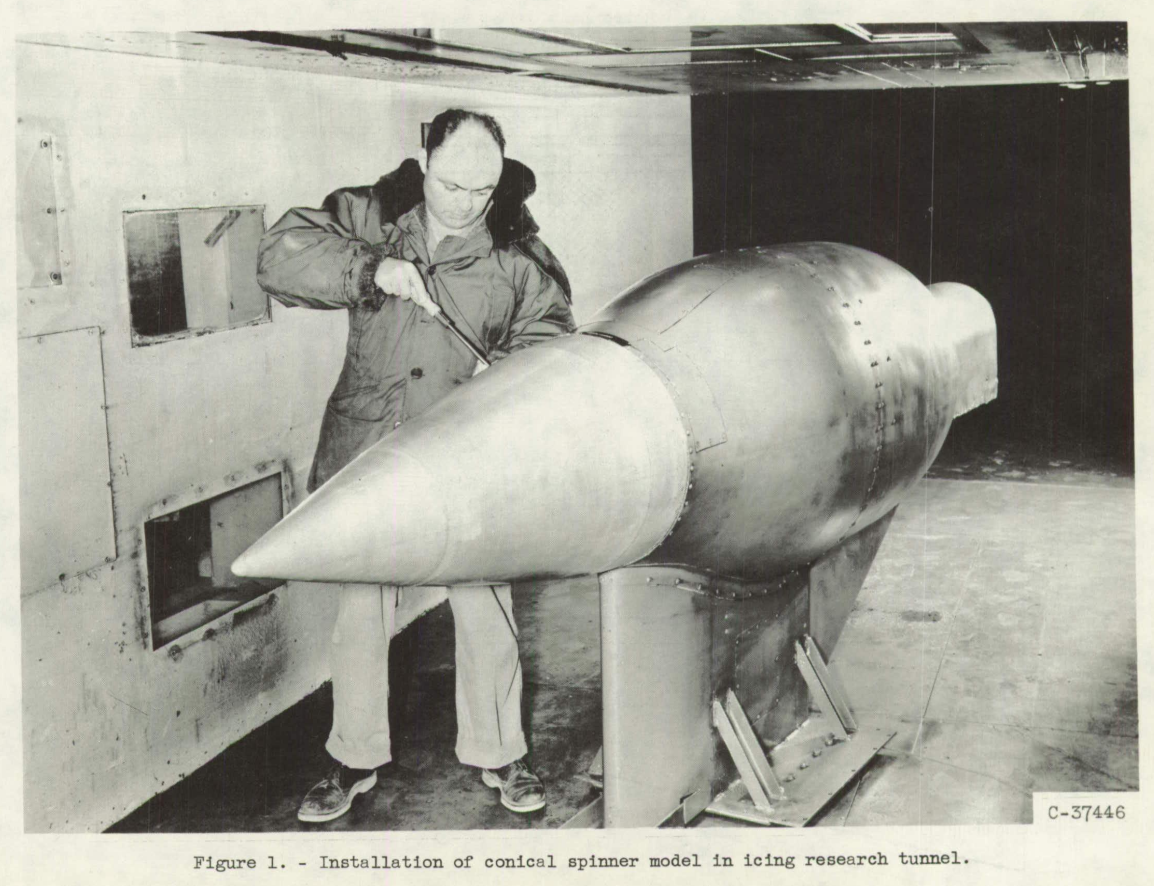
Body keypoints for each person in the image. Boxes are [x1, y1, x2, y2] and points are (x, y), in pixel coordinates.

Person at [257, 109, 576, 823]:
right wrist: (371, 267)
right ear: (422, 162)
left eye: (481, 189)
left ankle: (502, 752)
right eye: (452, 184)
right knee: (361, 613)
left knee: (485, 608)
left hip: (464, 460)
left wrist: (511, 373)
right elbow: (277, 257)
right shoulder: (370, 215)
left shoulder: (520, 253)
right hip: (370, 451)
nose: (465, 203)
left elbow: (552, 344)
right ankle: (352, 757)